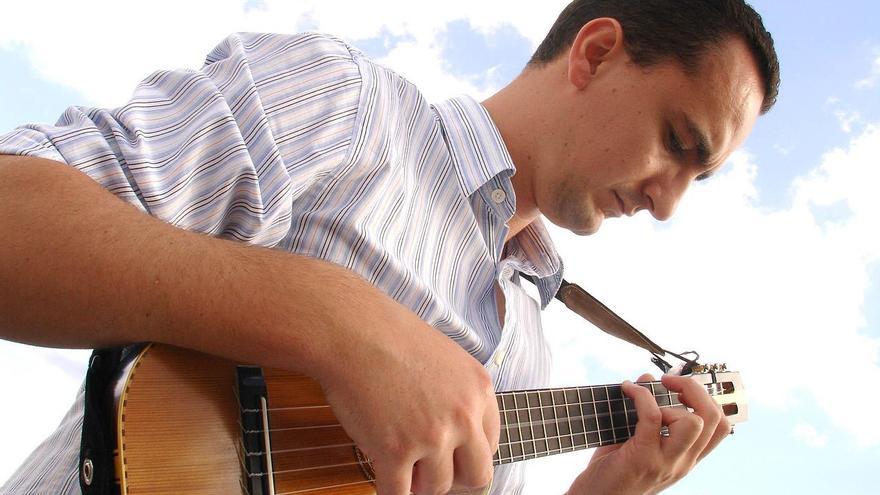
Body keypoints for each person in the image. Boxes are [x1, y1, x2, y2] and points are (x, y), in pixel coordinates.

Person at [0, 0, 779, 494]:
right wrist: (335, 319)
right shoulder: (346, 111)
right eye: (677, 142)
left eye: (697, 178)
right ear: (596, 52)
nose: (667, 200)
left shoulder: (530, 353)